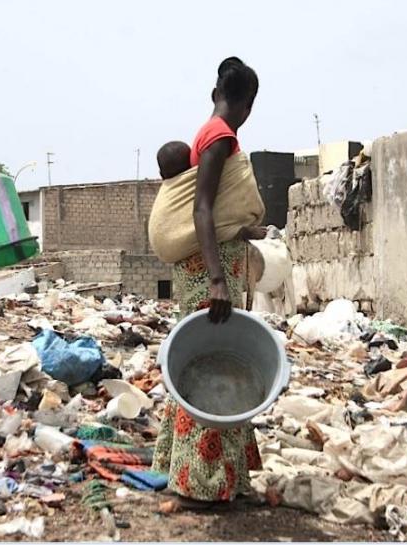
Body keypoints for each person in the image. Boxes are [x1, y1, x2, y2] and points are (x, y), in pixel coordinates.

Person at [152, 57, 267, 506]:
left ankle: (223, 480)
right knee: (211, 365)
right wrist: (219, 279)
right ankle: (199, 485)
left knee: (217, 360)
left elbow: (217, 212)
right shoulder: (219, 136)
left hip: (211, 265)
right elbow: (201, 209)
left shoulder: (208, 134)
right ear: (246, 102)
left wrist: (241, 230)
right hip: (208, 273)